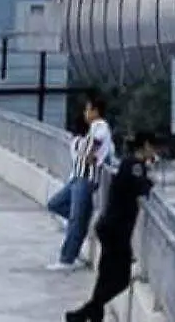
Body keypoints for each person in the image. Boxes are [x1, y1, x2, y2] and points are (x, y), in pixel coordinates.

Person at [65, 130, 157, 322]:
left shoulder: (130, 163)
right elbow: (142, 187)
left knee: (106, 276)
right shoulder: (134, 166)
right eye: (153, 147)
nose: (155, 152)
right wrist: (150, 180)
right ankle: (86, 311)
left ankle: (89, 314)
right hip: (116, 231)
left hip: (110, 228)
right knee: (122, 279)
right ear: (146, 145)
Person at [47, 94, 114, 271]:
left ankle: (67, 259)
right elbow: (83, 150)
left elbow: (90, 151)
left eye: (87, 109)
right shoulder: (92, 129)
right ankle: (81, 225)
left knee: (76, 218)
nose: (85, 112)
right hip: (77, 177)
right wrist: (83, 147)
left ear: (95, 110)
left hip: (86, 179)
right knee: (55, 204)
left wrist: (83, 147)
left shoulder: (101, 127)